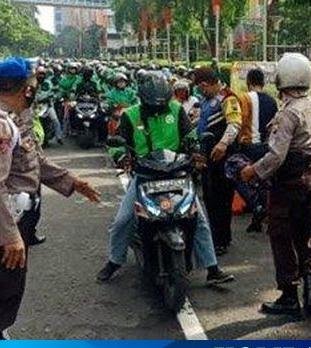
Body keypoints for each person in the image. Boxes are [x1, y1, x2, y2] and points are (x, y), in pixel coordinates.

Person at [0, 57, 101, 339]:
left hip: (15, 215)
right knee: (0, 294)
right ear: (26, 90)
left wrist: (72, 182)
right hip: (5, 217)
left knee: (6, 288)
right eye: (34, 83)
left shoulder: (17, 119)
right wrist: (10, 236)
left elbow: (34, 161)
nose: (36, 88)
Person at [95, 71, 234, 286]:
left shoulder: (177, 110)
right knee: (122, 221)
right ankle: (115, 260)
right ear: (143, 99)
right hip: (144, 175)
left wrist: (197, 152)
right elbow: (118, 143)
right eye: (153, 105)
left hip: (177, 174)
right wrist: (121, 156)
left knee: (200, 221)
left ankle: (212, 268)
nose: (158, 108)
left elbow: (190, 136)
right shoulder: (130, 115)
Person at [239, 53, 311, 317]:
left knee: (282, 236)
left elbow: (276, 155)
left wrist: (253, 171)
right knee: (305, 233)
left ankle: (289, 297)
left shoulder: (288, 112)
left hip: (289, 182)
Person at [194, 67, 245, 256]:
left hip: (223, 158)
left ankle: (221, 240)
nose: (201, 90)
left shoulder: (228, 99)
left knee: (222, 200)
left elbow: (235, 124)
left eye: (202, 87)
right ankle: (217, 237)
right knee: (210, 198)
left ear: (206, 84)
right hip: (208, 157)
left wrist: (223, 144)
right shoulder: (206, 101)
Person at [237, 68, 279, 233]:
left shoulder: (245, 98)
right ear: (263, 82)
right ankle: (260, 218)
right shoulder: (272, 100)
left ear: (248, 82)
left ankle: (257, 207)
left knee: (238, 177)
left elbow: (240, 122)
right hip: (267, 146)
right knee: (263, 183)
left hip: (249, 146)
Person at [35, 66, 63, 145]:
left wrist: (52, 96)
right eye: (39, 74)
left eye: (42, 74)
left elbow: (48, 92)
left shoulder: (48, 83)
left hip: (47, 105)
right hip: (36, 106)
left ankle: (59, 137)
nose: (41, 76)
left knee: (55, 120)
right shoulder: (33, 83)